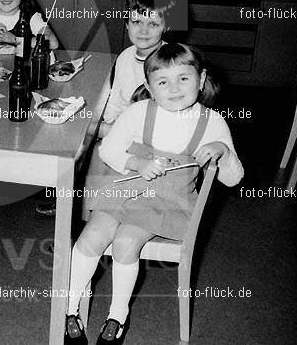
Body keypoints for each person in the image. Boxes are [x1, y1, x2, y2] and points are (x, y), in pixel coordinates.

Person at [64, 43, 244, 344]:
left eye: (183, 79)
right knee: (89, 239)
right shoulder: (139, 111)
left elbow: (233, 178)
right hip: (124, 189)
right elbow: (108, 149)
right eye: (163, 82)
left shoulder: (211, 121)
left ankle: (117, 316)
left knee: (125, 242)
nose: (174, 88)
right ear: (149, 86)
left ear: (200, 80)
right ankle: (70, 310)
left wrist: (222, 151)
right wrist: (135, 162)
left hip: (167, 202)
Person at [37, 0, 178, 217]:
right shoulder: (125, 57)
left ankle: (87, 216)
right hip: (121, 128)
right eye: (136, 21)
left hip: (150, 142)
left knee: (90, 148)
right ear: (126, 23)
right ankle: (69, 200)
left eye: (153, 23)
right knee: (74, 130)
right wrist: (97, 121)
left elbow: (166, 119)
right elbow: (114, 99)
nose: (143, 30)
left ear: (167, 26)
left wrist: (105, 130)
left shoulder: (169, 63)